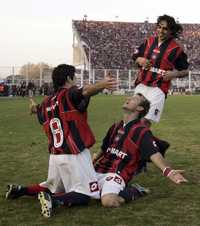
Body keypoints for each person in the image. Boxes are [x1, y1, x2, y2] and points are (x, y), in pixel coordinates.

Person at [34, 94, 187, 213]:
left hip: (116, 174)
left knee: (108, 201)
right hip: (97, 170)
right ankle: (40, 195)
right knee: (72, 188)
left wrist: (168, 171)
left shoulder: (142, 131)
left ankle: (136, 190)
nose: (128, 99)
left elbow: (154, 154)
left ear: (140, 109)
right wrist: (93, 160)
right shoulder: (115, 127)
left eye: (134, 99)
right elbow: (104, 148)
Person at [6, 64, 117, 217]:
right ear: (68, 78)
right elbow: (84, 91)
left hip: (55, 156)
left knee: (53, 186)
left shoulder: (45, 103)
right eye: (74, 76)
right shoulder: (68, 94)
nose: (76, 79)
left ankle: (20, 190)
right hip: (75, 153)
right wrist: (102, 84)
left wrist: (33, 108)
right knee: (86, 195)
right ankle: (53, 200)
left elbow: (38, 111)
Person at [133, 14, 189, 127]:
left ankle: (142, 142)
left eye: (165, 29)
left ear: (171, 31)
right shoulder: (148, 41)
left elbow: (185, 71)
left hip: (158, 89)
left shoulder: (176, 49)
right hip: (141, 86)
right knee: (133, 119)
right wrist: (140, 59)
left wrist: (175, 73)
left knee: (145, 122)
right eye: (159, 27)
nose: (161, 30)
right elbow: (135, 57)